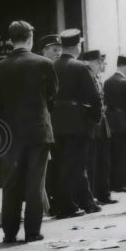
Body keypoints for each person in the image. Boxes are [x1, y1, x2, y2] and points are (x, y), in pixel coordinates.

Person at [0, 20, 57, 243]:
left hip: (10, 133)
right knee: (35, 183)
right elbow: (52, 95)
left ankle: (9, 232)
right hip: (38, 130)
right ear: (30, 39)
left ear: (10, 40)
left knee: (10, 182)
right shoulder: (44, 64)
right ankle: (32, 232)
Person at [51, 28, 102, 217]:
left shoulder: (52, 66)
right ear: (77, 46)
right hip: (77, 121)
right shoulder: (80, 67)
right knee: (77, 164)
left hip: (56, 121)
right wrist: (94, 119)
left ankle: (82, 202)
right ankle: (72, 205)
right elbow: (94, 97)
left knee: (61, 163)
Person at [81, 49, 114, 204]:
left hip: (101, 124)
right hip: (92, 124)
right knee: (91, 162)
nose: (101, 65)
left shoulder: (97, 77)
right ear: (88, 62)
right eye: (98, 62)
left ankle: (104, 194)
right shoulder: (86, 75)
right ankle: (93, 195)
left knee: (103, 161)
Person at [105, 54, 126, 191]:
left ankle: (113, 183)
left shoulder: (108, 81)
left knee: (112, 154)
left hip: (109, 122)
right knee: (125, 154)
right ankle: (124, 183)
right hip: (124, 123)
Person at [38, 34, 62, 214]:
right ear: (44, 51)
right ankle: (47, 205)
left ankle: (52, 202)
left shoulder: (57, 68)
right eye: (54, 50)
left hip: (56, 125)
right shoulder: (39, 67)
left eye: (60, 49)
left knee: (55, 165)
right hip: (44, 124)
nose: (58, 53)